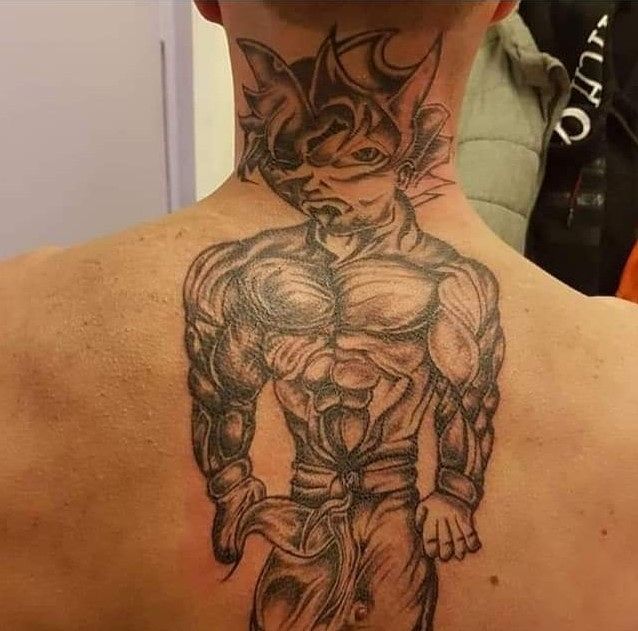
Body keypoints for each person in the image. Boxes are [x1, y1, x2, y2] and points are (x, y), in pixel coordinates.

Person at [0, 2, 637, 630]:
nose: (323, 181)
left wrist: (455, 491)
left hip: (391, 506)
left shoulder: (16, 321)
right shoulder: (621, 379)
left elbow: (464, 396)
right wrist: (233, 487)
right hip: (305, 508)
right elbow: (222, 393)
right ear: (503, 4)